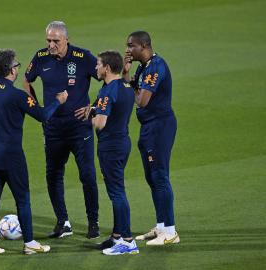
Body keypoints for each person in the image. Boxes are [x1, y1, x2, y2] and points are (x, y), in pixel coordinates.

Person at [0, 49, 68, 255]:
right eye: (16, 65)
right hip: (12, 159)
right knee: (22, 200)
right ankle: (30, 243)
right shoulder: (17, 96)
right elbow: (42, 115)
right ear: (10, 70)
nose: (17, 68)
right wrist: (58, 101)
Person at [23, 21, 100, 239]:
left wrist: (94, 107)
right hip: (53, 128)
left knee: (87, 175)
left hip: (79, 128)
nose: (51, 45)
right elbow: (27, 80)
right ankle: (62, 222)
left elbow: (108, 78)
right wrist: (38, 109)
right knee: (53, 175)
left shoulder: (83, 58)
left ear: (67, 39)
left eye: (56, 41)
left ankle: (93, 223)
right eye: (48, 40)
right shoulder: (40, 57)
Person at [76, 51, 138, 255]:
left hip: (110, 146)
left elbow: (100, 124)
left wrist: (89, 117)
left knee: (117, 193)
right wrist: (94, 109)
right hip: (122, 142)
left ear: (107, 68)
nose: (96, 68)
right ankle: (117, 236)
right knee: (117, 190)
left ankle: (128, 241)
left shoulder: (107, 91)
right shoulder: (126, 86)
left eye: (98, 65)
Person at [123, 31, 180, 245]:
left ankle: (171, 232)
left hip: (160, 126)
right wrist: (127, 74)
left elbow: (142, 100)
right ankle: (162, 226)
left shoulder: (156, 67)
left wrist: (134, 89)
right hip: (149, 127)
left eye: (131, 46)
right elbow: (134, 90)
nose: (128, 50)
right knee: (152, 178)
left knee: (160, 176)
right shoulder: (143, 67)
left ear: (144, 46)